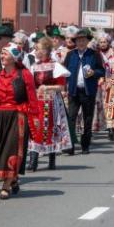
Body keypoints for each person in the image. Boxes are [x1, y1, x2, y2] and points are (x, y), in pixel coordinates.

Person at [0, 43, 38, 199]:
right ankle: (13, 178)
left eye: (5, 53)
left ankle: (6, 186)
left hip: (17, 115)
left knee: (11, 150)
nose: (2, 56)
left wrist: (34, 120)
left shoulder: (24, 74)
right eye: (1, 53)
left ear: (14, 57)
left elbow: (32, 98)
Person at [27, 37, 71, 171]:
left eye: (38, 48)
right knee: (35, 128)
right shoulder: (34, 66)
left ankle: (52, 159)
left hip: (51, 102)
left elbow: (62, 87)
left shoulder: (55, 65)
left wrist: (47, 87)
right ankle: (33, 160)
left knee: (50, 129)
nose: (36, 51)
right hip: (36, 102)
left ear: (46, 50)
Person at [63, 28, 104, 155]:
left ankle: (85, 144)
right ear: (75, 42)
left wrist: (94, 73)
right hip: (74, 91)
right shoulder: (70, 55)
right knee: (71, 118)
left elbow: (102, 71)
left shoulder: (94, 54)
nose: (81, 42)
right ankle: (70, 146)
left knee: (87, 118)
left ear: (87, 41)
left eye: (83, 40)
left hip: (88, 91)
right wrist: (64, 88)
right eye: (78, 40)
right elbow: (64, 72)